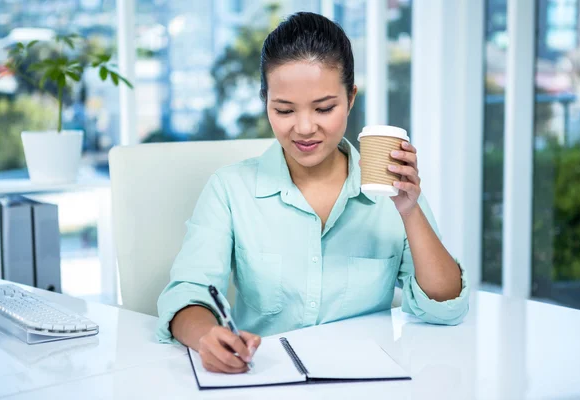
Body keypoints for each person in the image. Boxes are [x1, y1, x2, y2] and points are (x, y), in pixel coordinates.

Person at [156, 12, 469, 374]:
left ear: (351, 98)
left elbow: (446, 305)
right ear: (265, 101)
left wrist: (410, 211)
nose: (304, 128)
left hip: (366, 382)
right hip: (264, 380)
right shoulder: (230, 190)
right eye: (284, 110)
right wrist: (207, 337)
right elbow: (187, 294)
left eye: (324, 108)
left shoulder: (389, 189)